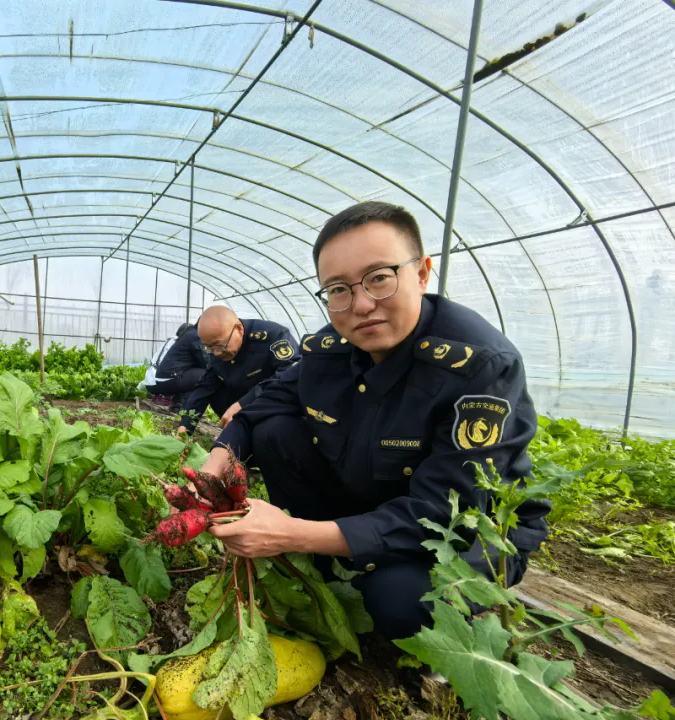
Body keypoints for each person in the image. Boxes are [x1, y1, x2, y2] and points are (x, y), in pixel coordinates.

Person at [199, 201, 549, 639]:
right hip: (371, 500)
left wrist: (293, 535)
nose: (361, 304)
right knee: (274, 431)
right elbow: (265, 403)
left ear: (421, 273)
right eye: (339, 289)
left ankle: (338, 556)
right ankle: (331, 556)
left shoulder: (477, 366)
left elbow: (443, 514)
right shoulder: (331, 348)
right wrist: (218, 456)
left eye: (379, 278)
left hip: (464, 531)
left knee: (397, 601)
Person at [176, 306, 299, 435]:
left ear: (239, 329)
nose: (216, 353)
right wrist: (185, 426)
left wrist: (242, 404)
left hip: (275, 408)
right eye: (209, 348)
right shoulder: (217, 348)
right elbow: (205, 387)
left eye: (220, 346)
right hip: (241, 406)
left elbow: (289, 376)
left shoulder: (273, 337)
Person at [144, 323, 207, 407]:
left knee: (188, 374)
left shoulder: (170, 341)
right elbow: (204, 362)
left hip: (150, 381)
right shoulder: (184, 341)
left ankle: (170, 397)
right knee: (205, 375)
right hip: (160, 381)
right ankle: (182, 401)